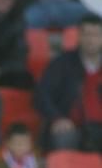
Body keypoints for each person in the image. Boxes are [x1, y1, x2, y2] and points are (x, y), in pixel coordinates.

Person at [35, 14, 102, 153]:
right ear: (79, 36)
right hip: (73, 125)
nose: (91, 40)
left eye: (96, 35)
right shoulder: (62, 63)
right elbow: (41, 95)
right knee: (64, 137)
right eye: (86, 34)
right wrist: (56, 118)